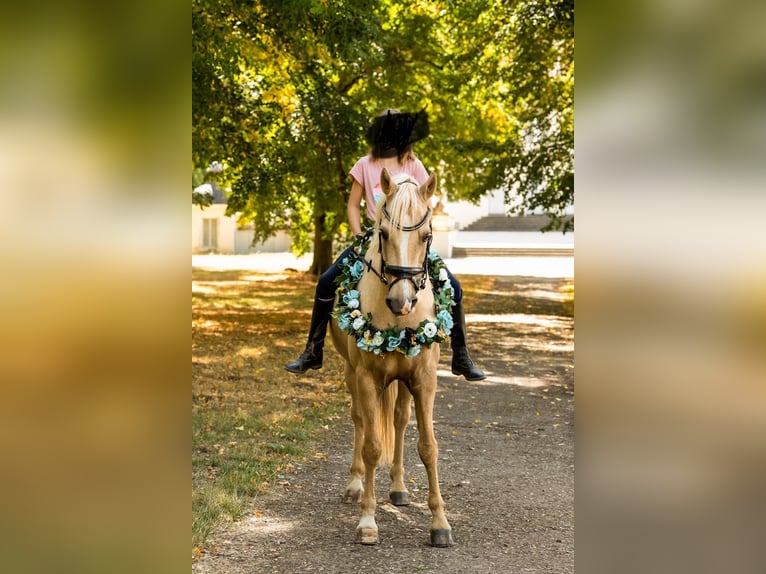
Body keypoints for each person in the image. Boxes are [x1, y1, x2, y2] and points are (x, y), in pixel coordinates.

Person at [285, 109, 485, 381]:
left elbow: (424, 201)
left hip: (410, 240)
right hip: (375, 236)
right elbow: (353, 205)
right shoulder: (365, 165)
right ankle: (313, 350)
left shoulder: (414, 165)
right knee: (325, 282)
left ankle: (461, 356)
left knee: (454, 287)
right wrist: (358, 235)